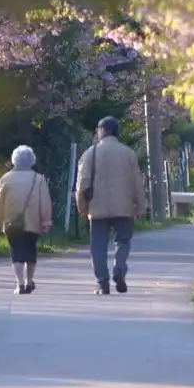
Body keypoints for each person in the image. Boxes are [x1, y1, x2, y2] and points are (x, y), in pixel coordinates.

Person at [75, 115, 147, 295]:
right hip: (124, 208)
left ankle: (102, 282)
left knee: (98, 245)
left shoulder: (90, 154)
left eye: (98, 130)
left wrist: (82, 206)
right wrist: (141, 206)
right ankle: (119, 270)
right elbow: (137, 182)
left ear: (103, 131)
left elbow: (82, 184)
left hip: (97, 208)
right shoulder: (128, 153)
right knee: (122, 241)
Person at [0, 145, 53, 294]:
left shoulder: (5, 179)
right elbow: (45, 201)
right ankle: (29, 280)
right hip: (34, 222)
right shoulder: (38, 179)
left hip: (12, 221)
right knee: (30, 250)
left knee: (16, 251)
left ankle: (19, 284)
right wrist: (46, 221)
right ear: (32, 160)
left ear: (14, 160)